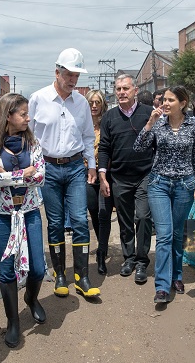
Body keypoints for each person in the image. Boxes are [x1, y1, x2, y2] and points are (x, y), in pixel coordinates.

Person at [28, 48, 100, 298]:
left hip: (74, 168)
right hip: (47, 168)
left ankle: (82, 277)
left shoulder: (81, 103)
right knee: (56, 222)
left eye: (76, 76)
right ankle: (60, 274)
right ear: (56, 72)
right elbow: (28, 136)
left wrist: (91, 164)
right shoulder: (37, 99)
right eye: (69, 75)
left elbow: (88, 137)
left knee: (80, 220)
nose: (73, 80)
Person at [0, 93, 47, 348]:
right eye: (23, 114)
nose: (28, 118)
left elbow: (40, 176)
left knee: (38, 268)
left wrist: (8, 174)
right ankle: (13, 321)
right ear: (8, 115)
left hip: (29, 210)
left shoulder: (32, 141)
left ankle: (31, 298)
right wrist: (22, 173)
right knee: (7, 271)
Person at [133, 85, 195, 303]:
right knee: (164, 235)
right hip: (159, 184)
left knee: (177, 235)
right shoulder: (158, 123)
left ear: (183, 103)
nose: (165, 103)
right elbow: (138, 148)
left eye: (171, 100)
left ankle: (177, 276)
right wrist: (149, 124)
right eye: (164, 99)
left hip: (185, 186)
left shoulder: (194, 126)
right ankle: (162, 286)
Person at [98, 74, 154, 284]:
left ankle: (142, 261)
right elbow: (104, 148)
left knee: (142, 217)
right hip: (119, 178)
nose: (121, 92)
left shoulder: (149, 114)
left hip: (145, 176)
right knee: (125, 221)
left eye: (125, 89)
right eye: (118, 89)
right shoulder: (109, 117)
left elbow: (157, 143)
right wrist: (103, 176)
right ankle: (129, 258)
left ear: (135, 90)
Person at [85, 89, 113, 275]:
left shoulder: (108, 124)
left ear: (103, 104)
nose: (94, 106)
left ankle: (101, 253)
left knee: (104, 213)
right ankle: (102, 243)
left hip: (106, 175)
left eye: (97, 102)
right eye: (91, 102)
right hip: (86, 175)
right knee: (93, 211)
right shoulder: (82, 125)